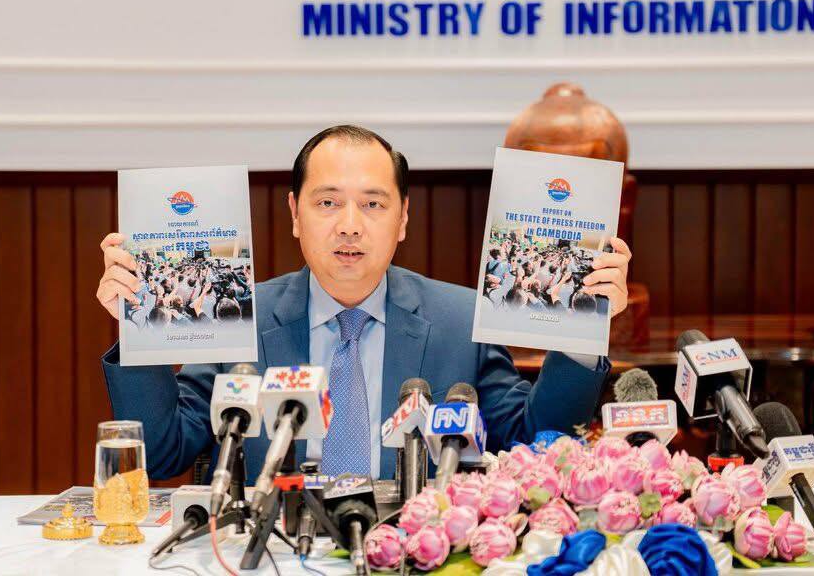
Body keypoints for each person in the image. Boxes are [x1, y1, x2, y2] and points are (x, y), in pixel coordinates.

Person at [96, 125, 632, 482]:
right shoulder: (239, 321)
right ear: (295, 214)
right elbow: (161, 454)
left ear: (403, 219)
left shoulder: (458, 322)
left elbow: (537, 442)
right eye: (327, 202)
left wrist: (581, 331)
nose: (349, 225)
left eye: (373, 204)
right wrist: (138, 325)